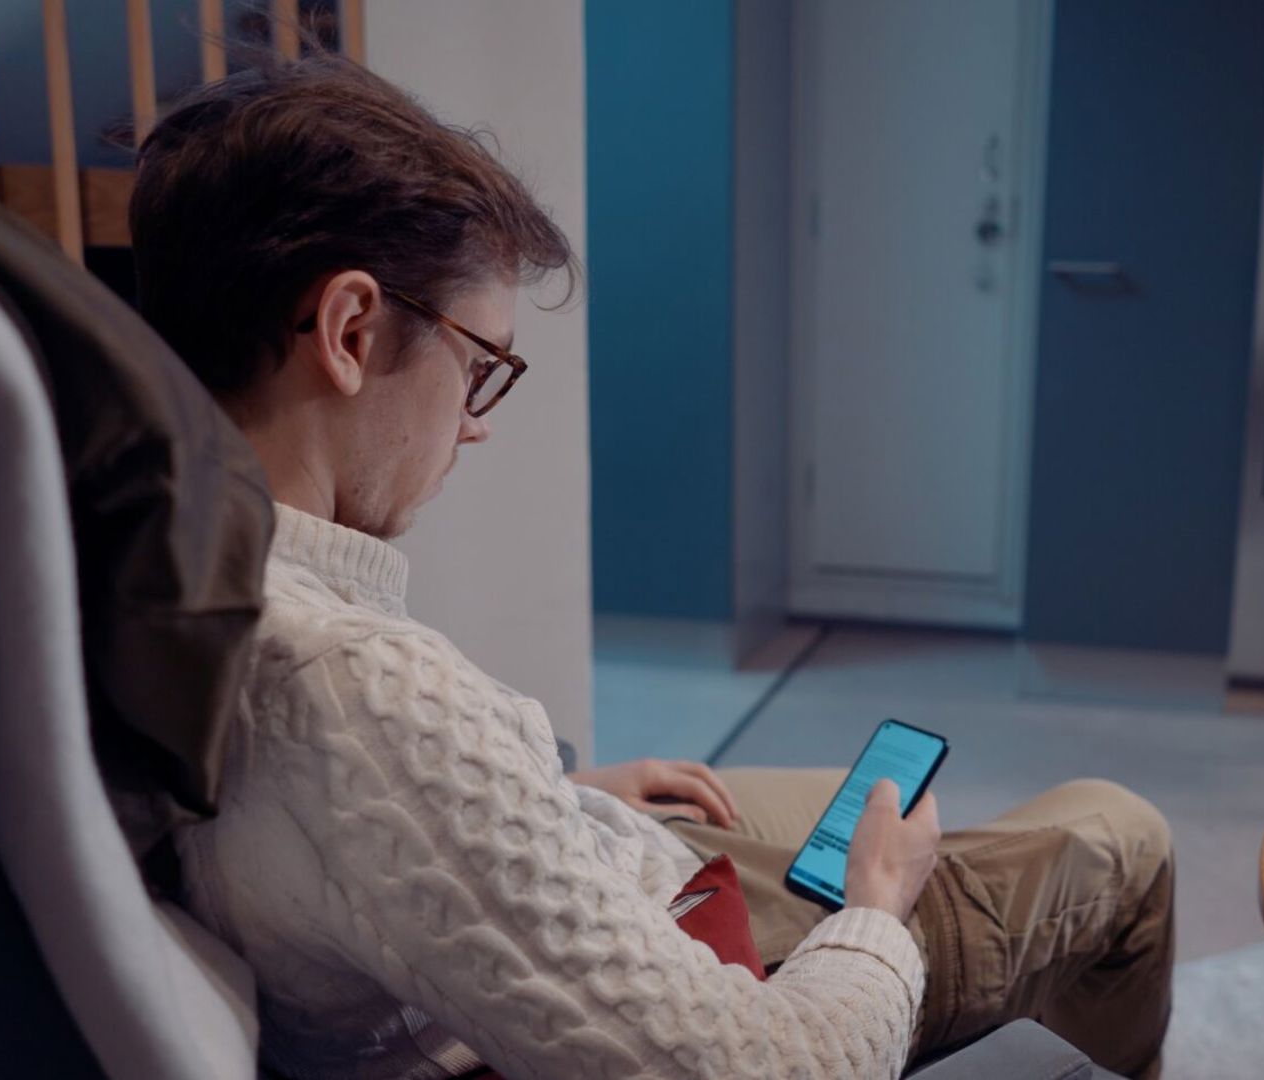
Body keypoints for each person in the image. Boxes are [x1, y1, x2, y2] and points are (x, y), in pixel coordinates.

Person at [136, 51, 1173, 1080]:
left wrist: (544, 795)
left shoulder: (163, 569)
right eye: (481, 365)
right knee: (1119, 833)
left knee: (841, 801)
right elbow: (771, 1069)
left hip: (602, 867)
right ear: (351, 328)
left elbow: (340, 834)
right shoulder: (356, 687)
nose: (475, 425)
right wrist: (874, 914)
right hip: (712, 967)